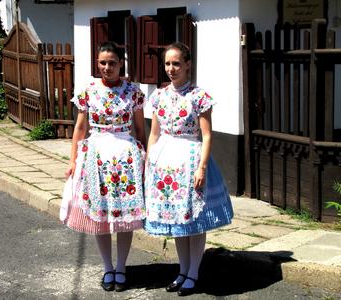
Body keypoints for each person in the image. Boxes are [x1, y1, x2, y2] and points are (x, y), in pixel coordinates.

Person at [144, 42, 233, 296]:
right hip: (165, 165)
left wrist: (202, 167)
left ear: (187, 65)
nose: (171, 69)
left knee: (193, 219)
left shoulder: (199, 96)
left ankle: (194, 272)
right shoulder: (159, 96)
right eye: (167, 64)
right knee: (176, 220)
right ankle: (182, 271)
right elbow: (154, 133)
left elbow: (206, 135)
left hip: (190, 161)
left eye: (176, 63)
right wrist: (150, 163)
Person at [62, 41, 146, 292]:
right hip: (95, 155)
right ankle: (107, 267)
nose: (106, 67)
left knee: (124, 217)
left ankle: (121, 267)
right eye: (102, 63)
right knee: (99, 217)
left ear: (121, 63)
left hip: (125, 158)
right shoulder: (88, 90)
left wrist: (144, 158)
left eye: (112, 63)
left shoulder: (134, 92)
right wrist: (73, 160)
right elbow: (80, 127)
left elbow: (140, 129)